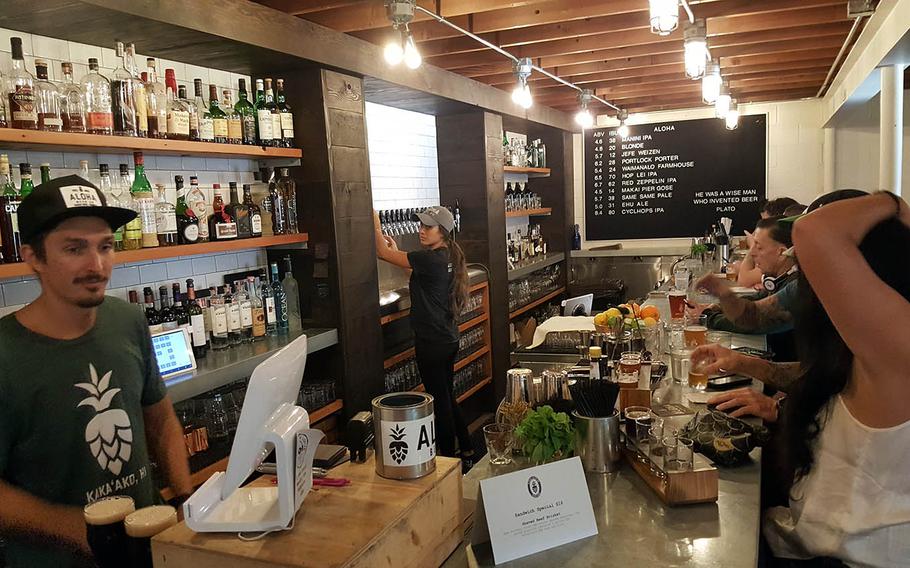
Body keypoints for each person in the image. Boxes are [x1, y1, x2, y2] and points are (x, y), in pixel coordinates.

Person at [0, 175, 192, 568]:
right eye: (75, 248)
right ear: (33, 256)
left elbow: (160, 420)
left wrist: (189, 502)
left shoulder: (128, 320)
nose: (97, 265)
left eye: (105, 246)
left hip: (147, 550)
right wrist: (78, 530)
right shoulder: (6, 354)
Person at [762, 192, 910, 566]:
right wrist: (777, 408)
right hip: (810, 546)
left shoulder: (900, 348)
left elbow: (815, 233)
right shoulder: (866, 353)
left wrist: (894, 204)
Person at [373, 206, 474, 469]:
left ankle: (449, 461)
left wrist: (372, 217)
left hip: (431, 341)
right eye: (421, 225)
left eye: (427, 227)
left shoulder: (430, 259)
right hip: (447, 339)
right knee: (447, 395)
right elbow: (418, 277)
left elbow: (382, 254)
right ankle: (467, 448)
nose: (421, 230)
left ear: (442, 231)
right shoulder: (447, 255)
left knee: (438, 400)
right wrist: (394, 249)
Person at [692, 217, 800, 359]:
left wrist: (708, 314)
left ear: (782, 252)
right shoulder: (783, 279)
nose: (752, 253)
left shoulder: (800, 286)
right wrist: (718, 307)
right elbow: (756, 298)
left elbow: (753, 319)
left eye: (759, 247)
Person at [738, 198, 803, 287]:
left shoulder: (796, 284)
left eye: (767, 222)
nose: (753, 253)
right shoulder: (779, 276)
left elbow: (745, 279)